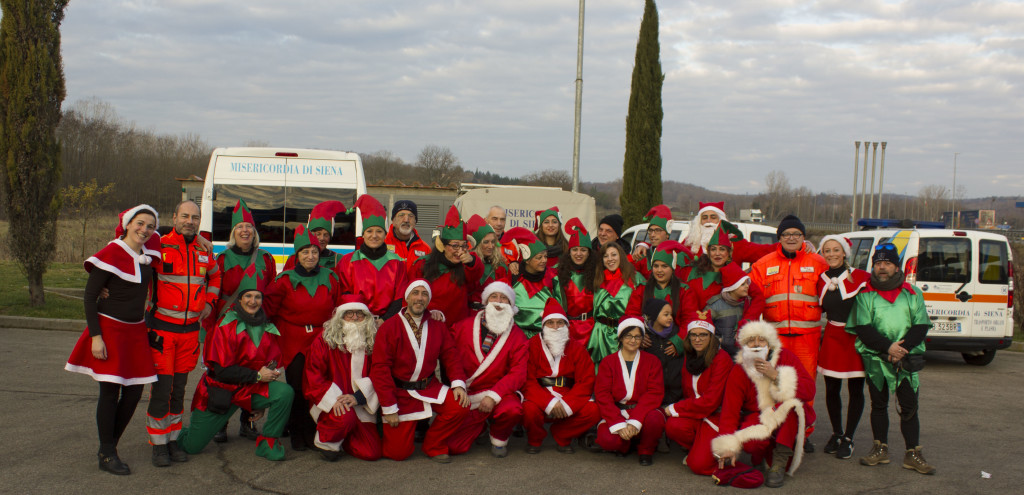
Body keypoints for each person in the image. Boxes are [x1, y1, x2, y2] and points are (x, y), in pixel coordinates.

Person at [66, 205, 162, 475]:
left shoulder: (147, 253)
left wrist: (201, 236)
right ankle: (107, 452)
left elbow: (173, 233)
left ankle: (109, 445)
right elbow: (89, 298)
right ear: (128, 224)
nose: (144, 230)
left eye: (150, 226)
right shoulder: (111, 253)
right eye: (139, 224)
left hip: (136, 332)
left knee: (134, 392)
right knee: (110, 393)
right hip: (109, 330)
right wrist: (96, 337)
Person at [177, 264, 293, 461]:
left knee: (284, 393)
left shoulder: (267, 328)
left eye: (257, 297)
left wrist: (262, 401)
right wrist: (257, 376)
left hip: (250, 390)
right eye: (248, 296)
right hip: (220, 391)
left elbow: (270, 366)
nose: (253, 301)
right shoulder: (224, 325)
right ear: (239, 299)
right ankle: (173, 432)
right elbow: (221, 371)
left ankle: (268, 443)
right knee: (191, 447)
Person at [847, 243, 935, 475]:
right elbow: (864, 329)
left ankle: (912, 453)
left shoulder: (913, 293)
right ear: (873, 267)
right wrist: (888, 349)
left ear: (896, 267)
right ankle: (880, 449)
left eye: (887, 263)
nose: (882, 268)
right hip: (877, 360)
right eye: (878, 264)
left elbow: (921, 325)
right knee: (879, 405)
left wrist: (900, 351)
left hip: (905, 361)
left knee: (909, 407)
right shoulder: (865, 294)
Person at [146, 200, 221, 468]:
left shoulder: (204, 251)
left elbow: (215, 277)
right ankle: (158, 443)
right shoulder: (158, 245)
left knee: (179, 391)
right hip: (162, 332)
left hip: (190, 333)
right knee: (161, 390)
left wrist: (210, 304)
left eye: (196, 218)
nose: (190, 221)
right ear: (174, 217)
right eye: (185, 216)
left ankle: (173, 439)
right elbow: (128, 234)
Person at [748, 214, 827, 450]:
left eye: (796, 234)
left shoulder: (818, 263)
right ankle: (777, 429)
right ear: (779, 238)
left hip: (807, 339)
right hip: (776, 340)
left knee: (805, 386)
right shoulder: (763, 265)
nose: (791, 238)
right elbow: (751, 297)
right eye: (786, 234)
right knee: (773, 384)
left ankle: (804, 432)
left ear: (803, 237)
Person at [370, 280, 471, 463]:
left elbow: (451, 356)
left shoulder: (437, 325)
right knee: (398, 454)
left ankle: (434, 443)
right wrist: (388, 407)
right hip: (400, 394)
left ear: (429, 299)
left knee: (460, 406)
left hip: (429, 387)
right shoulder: (389, 327)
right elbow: (380, 369)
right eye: (415, 293)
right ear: (407, 297)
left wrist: (458, 384)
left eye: (424, 294)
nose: (419, 298)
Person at [263, 225, 344, 452]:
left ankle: (314, 429)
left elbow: (338, 306)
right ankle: (298, 430)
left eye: (315, 252)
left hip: (322, 339)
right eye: (305, 252)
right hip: (294, 340)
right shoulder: (283, 280)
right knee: (298, 387)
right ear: (296, 255)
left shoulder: (331, 277)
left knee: (319, 385)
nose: (311, 256)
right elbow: (267, 308)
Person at [712, 321, 816, 488]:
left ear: (769, 342)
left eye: (761, 339)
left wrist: (776, 375)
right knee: (752, 442)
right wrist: (727, 445)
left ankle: (780, 461)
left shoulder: (786, 356)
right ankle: (758, 458)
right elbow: (730, 410)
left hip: (784, 415)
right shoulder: (739, 369)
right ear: (744, 344)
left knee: (790, 407)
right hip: (757, 415)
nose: (756, 344)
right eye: (751, 340)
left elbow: (809, 391)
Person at [206, 199, 277, 443]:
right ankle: (220, 423)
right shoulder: (222, 259)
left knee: (255, 369)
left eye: (249, 226)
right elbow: (213, 293)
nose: (245, 231)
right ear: (233, 232)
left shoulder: (266, 259)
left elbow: (271, 291)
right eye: (240, 227)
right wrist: (210, 328)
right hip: (228, 323)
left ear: (255, 231)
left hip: (256, 323)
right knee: (224, 372)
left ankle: (248, 422)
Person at [446, 282, 529, 458]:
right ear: (485, 301)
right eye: (494, 296)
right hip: (469, 394)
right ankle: (481, 426)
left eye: (504, 298)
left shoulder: (518, 336)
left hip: (499, 393)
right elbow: (450, 359)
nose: (499, 302)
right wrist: (458, 385)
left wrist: (493, 396)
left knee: (513, 409)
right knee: (453, 447)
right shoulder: (461, 327)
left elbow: (518, 373)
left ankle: (499, 436)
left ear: (511, 304)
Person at [303, 298, 382, 462]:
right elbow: (313, 374)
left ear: (366, 317)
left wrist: (359, 396)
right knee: (345, 417)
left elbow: (379, 372)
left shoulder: (373, 341)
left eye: (359, 314)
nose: (354, 318)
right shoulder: (324, 340)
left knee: (371, 452)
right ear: (340, 317)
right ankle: (325, 443)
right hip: (333, 401)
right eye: (349, 314)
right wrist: (333, 400)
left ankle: (346, 436)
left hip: (360, 402)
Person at [521, 299, 601, 454]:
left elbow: (586, 380)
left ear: (566, 325)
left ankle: (562, 435)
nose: (556, 327)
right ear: (543, 326)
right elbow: (527, 380)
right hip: (539, 395)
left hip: (567, 395)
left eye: (560, 323)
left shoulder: (577, 348)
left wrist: (567, 403)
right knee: (527, 409)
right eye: (550, 323)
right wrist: (548, 402)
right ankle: (535, 439)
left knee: (594, 411)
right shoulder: (532, 345)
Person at [816, 235, 871, 460]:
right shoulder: (820, 279)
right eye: (827, 250)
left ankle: (849, 437)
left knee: (856, 389)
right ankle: (836, 432)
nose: (831, 254)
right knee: (831, 389)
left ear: (844, 252)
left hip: (855, 338)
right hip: (831, 336)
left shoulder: (861, 277)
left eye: (835, 250)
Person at [662, 317, 733, 475]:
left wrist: (674, 407)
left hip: (715, 416)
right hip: (696, 414)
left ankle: (713, 457)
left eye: (703, 335)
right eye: (693, 335)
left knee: (698, 466)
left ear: (711, 337)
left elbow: (711, 401)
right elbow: (689, 393)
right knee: (673, 426)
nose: (697, 339)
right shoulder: (690, 356)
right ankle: (699, 449)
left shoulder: (721, 359)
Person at [594, 318, 665, 465]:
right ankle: (625, 444)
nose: (633, 340)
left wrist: (636, 420)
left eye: (637, 336)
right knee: (607, 440)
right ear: (620, 337)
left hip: (643, 411)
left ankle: (646, 449)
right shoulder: (608, 362)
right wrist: (618, 424)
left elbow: (654, 392)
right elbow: (603, 395)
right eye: (628, 336)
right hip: (618, 411)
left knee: (654, 420)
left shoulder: (652, 361)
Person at [334, 195, 408, 320]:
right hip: (356, 321)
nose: (374, 236)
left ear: (385, 234)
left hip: (386, 324)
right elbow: (344, 295)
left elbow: (399, 298)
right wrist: (361, 319)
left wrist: (384, 320)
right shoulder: (348, 262)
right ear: (363, 234)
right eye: (369, 231)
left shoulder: (397, 263)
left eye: (379, 231)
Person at [409, 205, 483, 324]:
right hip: (428, 325)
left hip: (457, 328)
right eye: (455, 246)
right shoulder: (423, 264)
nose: (459, 251)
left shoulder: (466, 266)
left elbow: (476, 275)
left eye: (463, 246)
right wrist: (428, 312)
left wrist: (472, 261)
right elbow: (409, 297)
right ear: (442, 245)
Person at [588, 242, 645, 367]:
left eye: (614, 255)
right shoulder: (598, 279)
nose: (610, 259)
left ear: (621, 256)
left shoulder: (635, 278)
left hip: (625, 334)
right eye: (606, 256)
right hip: (600, 335)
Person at [625, 240, 691, 342]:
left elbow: (689, 319)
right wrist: (639, 334)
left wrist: (677, 342)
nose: (659, 270)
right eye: (656, 266)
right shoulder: (642, 288)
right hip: (647, 341)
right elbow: (631, 314)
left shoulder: (684, 291)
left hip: (673, 341)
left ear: (672, 268)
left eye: (664, 266)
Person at [681, 201, 776, 265]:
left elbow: (762, 251)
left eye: (713, 217)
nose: (708, 221)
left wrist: (785, 246)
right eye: (704, 218)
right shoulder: (689, 243)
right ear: (699, 222)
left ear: (721, 220)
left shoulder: (734, 242)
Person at [504, 227, 557, 339]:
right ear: (527, 260)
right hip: (517, 336)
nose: (544, 260)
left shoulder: (553, 277)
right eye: (539, 257)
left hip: (546, 336)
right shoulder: (514, 276)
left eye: (545, 256)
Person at [554, 218, 597, 346]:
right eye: (575, 249)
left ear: (589, 252)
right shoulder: (559, 274)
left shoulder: (597, 274)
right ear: (569, 252)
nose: (579, 254)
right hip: (567, 330)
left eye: (583, 250)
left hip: (592, 330)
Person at [705, 263, 762, 357]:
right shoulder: (715, 305)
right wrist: (718, 342)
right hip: (721, 355)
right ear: (733, 287)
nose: (747, 286)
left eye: (746, 283)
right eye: (742, 284)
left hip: (744, 355)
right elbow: (706, 329)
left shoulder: (749, 304)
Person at [282, 201, 348, 271]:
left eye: (326, 235)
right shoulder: (294, 259)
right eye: (318, 234)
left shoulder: (338, 260)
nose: (322, 238)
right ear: (310, 234)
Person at [467, 214, 508, 309]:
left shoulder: (500, 266)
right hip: (468, 313)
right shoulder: (467, 265)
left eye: (493, 241)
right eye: (486, 242)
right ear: (476, 245)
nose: (491, 246)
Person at [385, 199, 432, 271]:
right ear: (393, 221)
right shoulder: (382, 246)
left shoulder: (426, 249)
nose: (406, 220)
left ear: (415, 222)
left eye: (411, 216)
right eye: (401, 215)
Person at [630, 205, 673, 278]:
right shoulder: (642, 256)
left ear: (667, 234)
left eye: (657, 230)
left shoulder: (676, 256)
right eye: (650, 230)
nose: (652, 235)